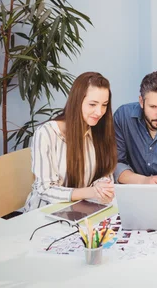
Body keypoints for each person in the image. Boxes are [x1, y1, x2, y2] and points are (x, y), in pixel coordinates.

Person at [23, 72, 117, 212]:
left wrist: (103, 187)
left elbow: (103, 175)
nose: (99, 112)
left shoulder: (98, 130)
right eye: (92, 104)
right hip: (44, 213)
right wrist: (91, 191)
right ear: (77, 101)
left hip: (81, 210)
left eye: (104, 105)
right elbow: (45, 189)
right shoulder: (46, 133)